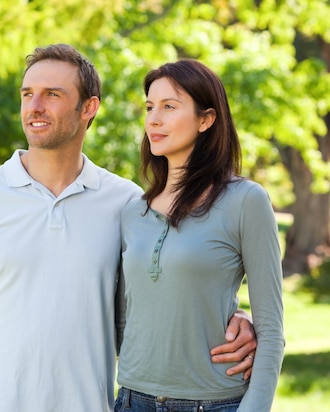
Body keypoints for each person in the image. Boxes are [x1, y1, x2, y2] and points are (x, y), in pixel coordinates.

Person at [0, 44, 257, 412]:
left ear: (89, 108)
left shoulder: (127, 203)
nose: (34, 106)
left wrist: (235, 319)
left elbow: (169, 288)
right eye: (27, 94)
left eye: (52, 94)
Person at [114, 59, 284, 412]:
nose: (153, 119)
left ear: (206, 119)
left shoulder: (245, 201)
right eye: (149, 107)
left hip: (213, 403)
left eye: (169, 107)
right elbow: (123, 317)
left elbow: (271, 331)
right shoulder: (132, 211)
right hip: (133, 401)